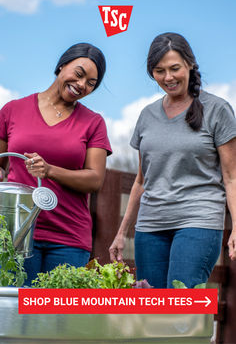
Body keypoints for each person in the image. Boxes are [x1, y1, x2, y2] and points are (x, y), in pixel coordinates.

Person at [109, 32, 236, 288]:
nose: (168, 77)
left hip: (198, 221)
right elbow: (141, 181)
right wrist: (121, 233)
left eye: (174, 68)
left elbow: (231, 176)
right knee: (150, 308)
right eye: (159, 71)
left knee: (180, 307)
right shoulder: (147, 116)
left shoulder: (217, 110)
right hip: (150, 226)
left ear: (190, 64)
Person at [0, 43, 112, 286]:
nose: (82, 85)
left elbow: (95, 179)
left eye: (91, 83)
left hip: (68, 239)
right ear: (62, 65)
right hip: (16, 237)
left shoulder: (93, 123)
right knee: (15, 319)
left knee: (56, 322)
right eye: (79, 74)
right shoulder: (13, 110)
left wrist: (50, 171)